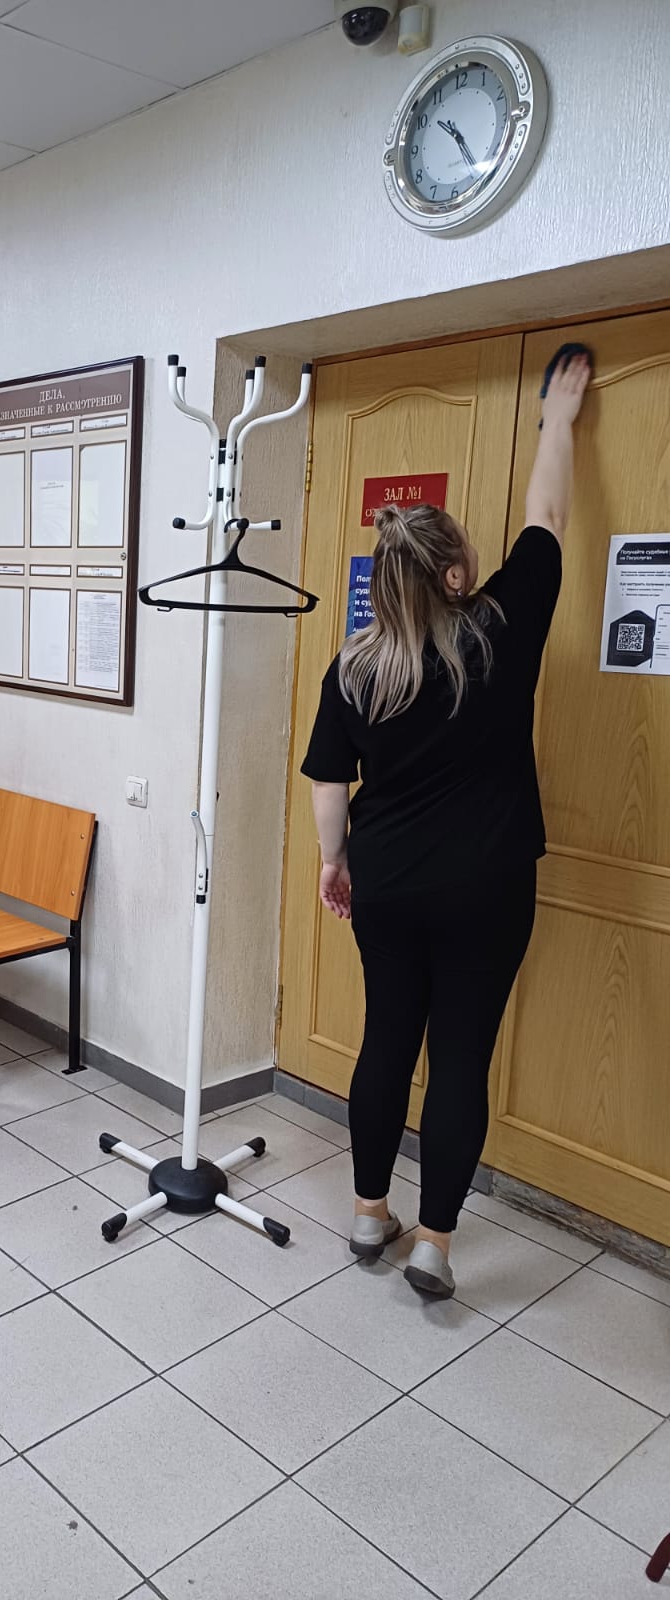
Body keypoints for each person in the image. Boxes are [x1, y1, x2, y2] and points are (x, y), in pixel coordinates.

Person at [300, 351, 592, 1298]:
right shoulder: (502, 628)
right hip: (489, 885)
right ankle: (433, 1244)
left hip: (387, 881)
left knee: (388, 1038)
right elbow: (547, 518)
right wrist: (558, 421)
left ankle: (367, 1214)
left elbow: (328, 781)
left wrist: (335, 863)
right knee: (462, 1054)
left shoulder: (355, 666)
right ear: (460, 571)